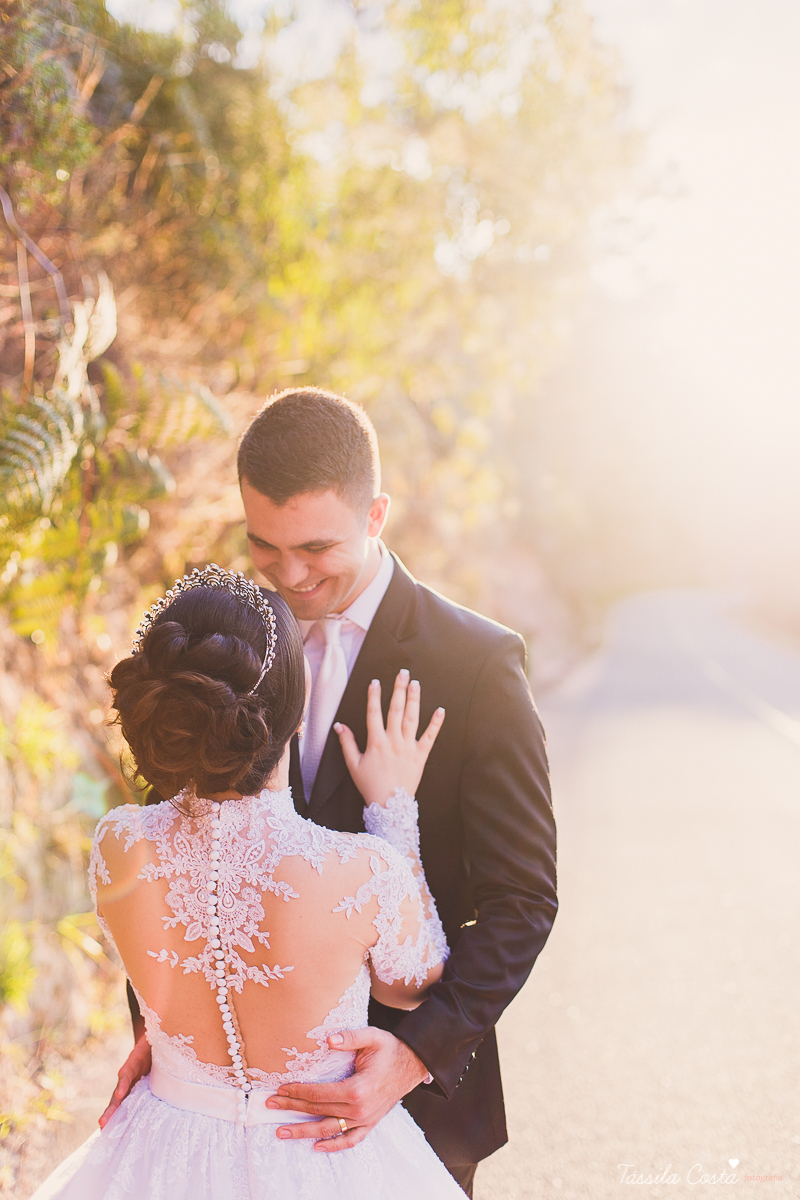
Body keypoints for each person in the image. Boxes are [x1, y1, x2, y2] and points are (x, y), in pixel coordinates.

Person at [109, 388, 558, 1197]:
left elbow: (523, 899)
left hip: (408, 1116)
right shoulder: (223, 640)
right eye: (264, 547)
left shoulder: (477, 666)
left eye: (316, 547)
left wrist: (416, 1054)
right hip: (210, 1127)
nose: (290, 574)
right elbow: (175, 845)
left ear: (376, 513)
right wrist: (167, 1029)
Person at [32, 566, 465, 1200]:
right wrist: (393, 810)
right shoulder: (364, 870)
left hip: (159, 1153)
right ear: (299, 705)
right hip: (322, 1158)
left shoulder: (118, 844)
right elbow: (412, 987)